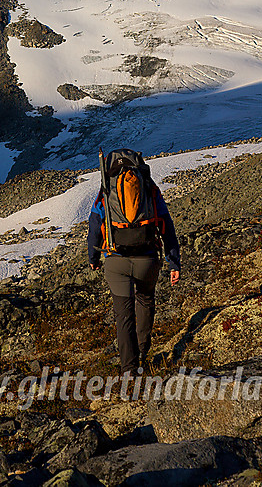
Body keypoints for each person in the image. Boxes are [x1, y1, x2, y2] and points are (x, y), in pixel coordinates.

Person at [87, 149, 180, 374]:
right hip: (147, 259)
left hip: (116, 260)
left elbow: (94, 228)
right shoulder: (149, 190)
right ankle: (143, 352)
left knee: (123, 315)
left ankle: (129, 370)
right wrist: (174, 262)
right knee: (146, 301)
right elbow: (167, 226)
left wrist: (93, 257)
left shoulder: (105, 191)